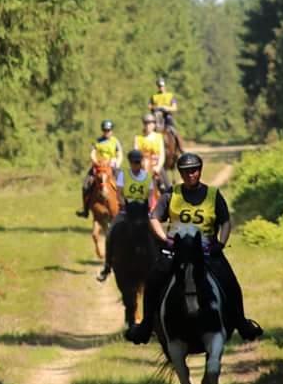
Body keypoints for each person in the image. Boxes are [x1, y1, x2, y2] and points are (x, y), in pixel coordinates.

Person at [125, 151, 262, 344]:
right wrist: (165, 238)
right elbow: (154, 217)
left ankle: (241, 322)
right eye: (186, 171)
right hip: (176, 250)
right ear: (180, 173)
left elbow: (225, 222)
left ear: (200, 171)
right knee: (154, 280)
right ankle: (146, 326)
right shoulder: (171, 194)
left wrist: (221, 244)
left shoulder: (213, 195)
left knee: (230, 281)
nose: (191, 174)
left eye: (194, 170)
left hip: (207, 251)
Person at [97, 148, 154, 281]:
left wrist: (146, 206)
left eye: (138, 162)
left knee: (157, 231)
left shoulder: (147, 177)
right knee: (112, 231)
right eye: (134, 162)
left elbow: (150, 195)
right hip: (127, 210)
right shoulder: (124, 175)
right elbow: (119, 194)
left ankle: (159, 261)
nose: (136, 165)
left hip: (143, 209)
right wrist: (126, 204)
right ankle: (107, 265)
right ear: (130, 163)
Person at [76, 119, 123, 217]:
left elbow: (120, 154)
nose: (107, 132)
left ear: (112, 130)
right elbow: (93, 153)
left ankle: (125, 206)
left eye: (108, 130)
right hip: (99, 167)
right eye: (105, 130)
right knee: (86, 184)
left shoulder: (115, 141)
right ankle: (85, 209)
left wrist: (117, 163)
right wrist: (95, 162)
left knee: (123, 184)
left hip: (111, 166)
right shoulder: (98, 141)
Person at [134, 113, 167, 194]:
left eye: (150, 123)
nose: (148, 125)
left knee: (167, 186)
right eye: (146, 123)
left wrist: (158, 167)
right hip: (142, 167)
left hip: (156, 165)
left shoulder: (159, 137)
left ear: (154, 125)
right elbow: (135, 156)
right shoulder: (138, 138)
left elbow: (162, 155)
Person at [149, 77, 183, 152]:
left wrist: (166, 108)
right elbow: (150, 106)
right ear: (157, 86)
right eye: (159, 86)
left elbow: (175, 107)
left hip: (167, 116)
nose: (161, 87)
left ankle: (181, 148)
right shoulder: (154, 96)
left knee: (173, 131)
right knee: (149, 130)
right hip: (157, 116)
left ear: (165, 86)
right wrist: (156, 107)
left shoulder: (170, 95)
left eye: (162, 86)